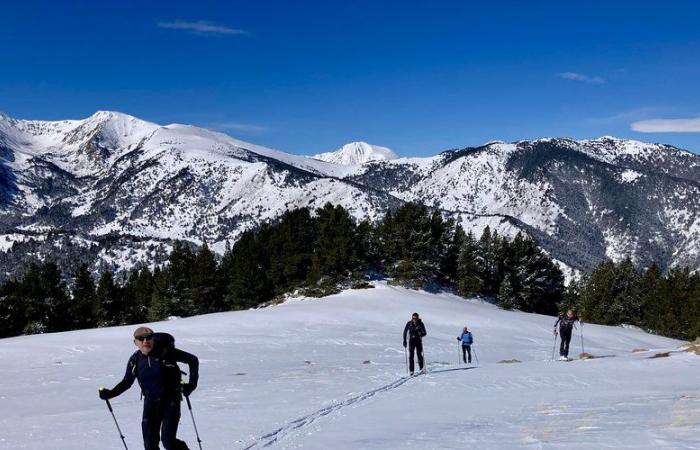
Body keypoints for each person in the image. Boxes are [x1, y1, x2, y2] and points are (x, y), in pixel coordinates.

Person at [99, 327, 199, 450]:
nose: (145, 341)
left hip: (170, 401)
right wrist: (110, 393)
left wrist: (192, 384)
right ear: (135, 342)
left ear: (153, 339)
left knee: (168, 442)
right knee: (150, 445)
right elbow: (127, 382)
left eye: (149, 337)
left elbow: (193, 360)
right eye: (141, 338)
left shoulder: (166, 352)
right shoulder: (135, 360)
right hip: (150, 403)